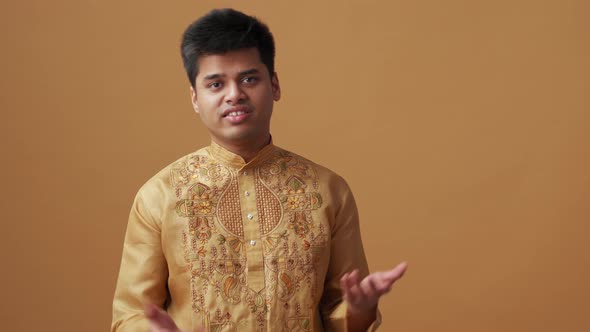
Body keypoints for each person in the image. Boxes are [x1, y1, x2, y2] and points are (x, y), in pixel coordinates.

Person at [112, 8, 407, 332]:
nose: (234, 94)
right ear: (195, 98)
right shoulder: (160, 196)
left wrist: (360, 310)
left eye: (248, 79)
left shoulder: (327, 190)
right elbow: (129, 316)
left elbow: (340, 314)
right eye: (215, 84)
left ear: (275, 85)